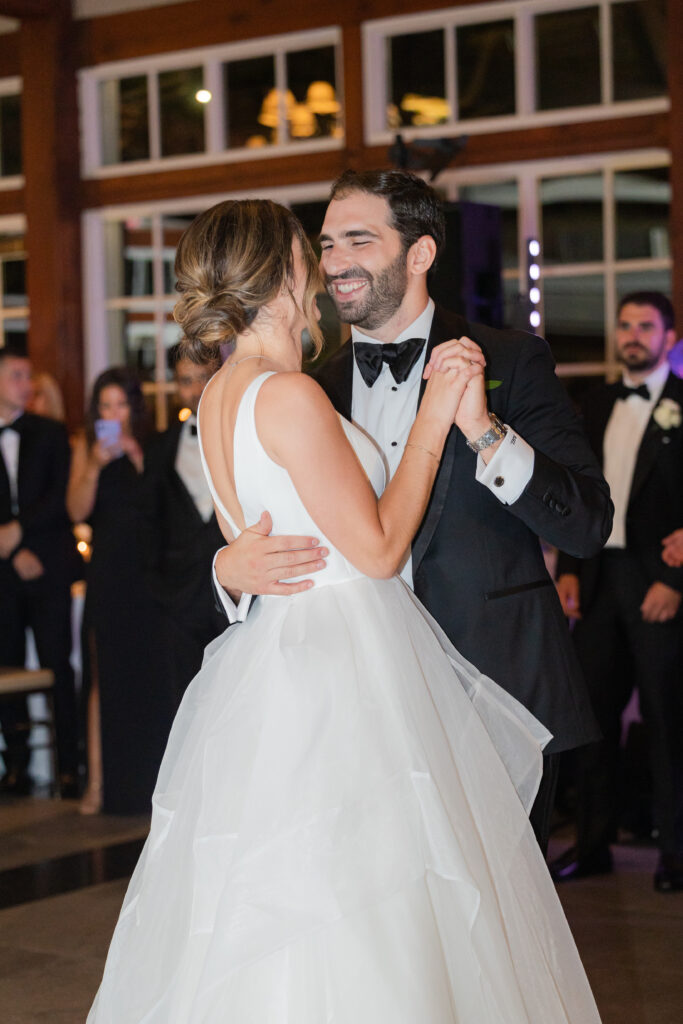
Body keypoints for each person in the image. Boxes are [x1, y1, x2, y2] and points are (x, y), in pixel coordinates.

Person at [88, 198, 600, 1023]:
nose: (322, 269)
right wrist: (435, 417)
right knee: (373, 906)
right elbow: (377, 551)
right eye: (310, 252)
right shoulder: (289, 393)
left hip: (282, 670)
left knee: (300, 907)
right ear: (282, 273)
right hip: (349, 674)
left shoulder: (218, 395)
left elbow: (251, 529)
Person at [212, 169, 613, 855]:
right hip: (359, 710)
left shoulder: (509, 361)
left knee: (498, 940)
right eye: (327, 244)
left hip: (497, 688)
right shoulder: (306, 387)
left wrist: (485, 432)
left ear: (419, 253)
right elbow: (256, 518)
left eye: (358, 241)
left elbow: (586, 524)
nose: (335, 263)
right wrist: (225, 567)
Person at [551, 291, 683, 893]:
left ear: (669, 336)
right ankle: (594, 844)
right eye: (625, 325)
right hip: (600, 577)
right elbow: (581, 494)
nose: (631, 335)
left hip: (660, 581)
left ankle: (676, 856)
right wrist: (571, 571)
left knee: (667, 719)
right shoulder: (598, 401)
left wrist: (676, 580)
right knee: (593, 720)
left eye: (645, 326)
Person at [68, 368, 171, 815]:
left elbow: (165, 504)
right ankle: (99, 783)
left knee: (151, 676)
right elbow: (76, 510)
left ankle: (154, 781)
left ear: (135, 407)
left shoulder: (154, 445)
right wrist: (93, 465)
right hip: (108, 573)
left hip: (148, 573)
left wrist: (132, 453)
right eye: (105, 407)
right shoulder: (85, 450)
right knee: (102, 677)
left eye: (120, 405)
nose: (113, 414)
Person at [0, 347, 80, 797]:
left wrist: (20, 536)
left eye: (28, 376)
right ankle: (16, 765)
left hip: (48, 567)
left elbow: (58, 500)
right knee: (6, 663)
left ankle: (69, 766)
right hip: (4, 575)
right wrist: (11, 553)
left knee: (58, 666)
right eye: (15, 376)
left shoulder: (50, 434)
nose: (26, 384)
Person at [142, 344, 225, 709]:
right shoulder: (159, 447)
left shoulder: (242, 433)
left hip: (234, 594)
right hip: (178, 598)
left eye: (203, 378)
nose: (195, 390)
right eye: (185, 381)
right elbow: (151, 522)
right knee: (185, 702)